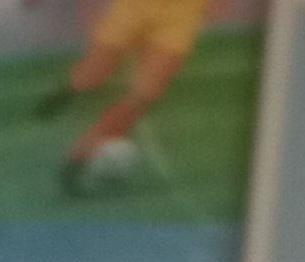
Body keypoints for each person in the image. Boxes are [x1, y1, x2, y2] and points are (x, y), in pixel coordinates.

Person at [58, 0, 210, 178]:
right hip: (134, 7)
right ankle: (67, 94)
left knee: (146, 93)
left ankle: (87, 148)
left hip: (181, 14)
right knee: (90, 75)